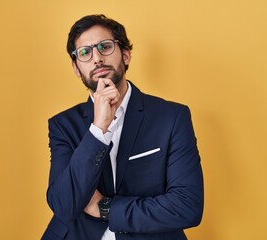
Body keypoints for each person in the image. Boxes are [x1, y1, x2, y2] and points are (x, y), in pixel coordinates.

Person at [42, 14, 204, 240]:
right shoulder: (63, 125)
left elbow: (187, 206)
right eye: (85, 53)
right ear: (77, 68)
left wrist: (106, 208)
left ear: (126, 55)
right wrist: (98, 130)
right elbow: (63, 205)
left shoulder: (172, 117)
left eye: (105, 47)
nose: (96, 58)